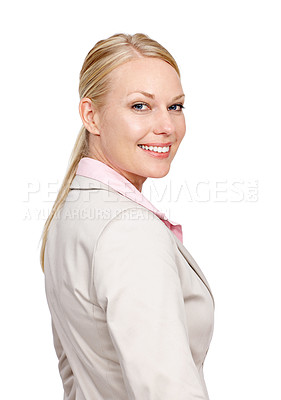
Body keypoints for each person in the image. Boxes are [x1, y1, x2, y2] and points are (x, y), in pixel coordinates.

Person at [40, 32, 215, 400]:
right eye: (140, 106)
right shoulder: (129, 232)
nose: (166, 126)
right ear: (92, 116)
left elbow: (77, 378)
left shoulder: (69, 212)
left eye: (176, 106)